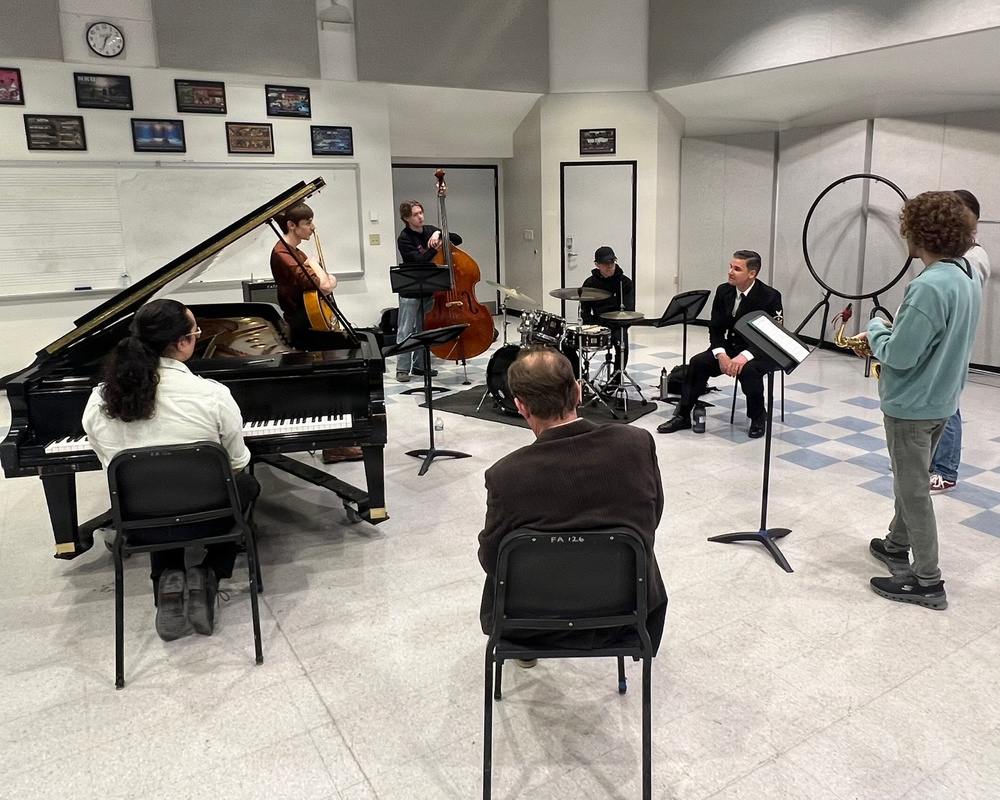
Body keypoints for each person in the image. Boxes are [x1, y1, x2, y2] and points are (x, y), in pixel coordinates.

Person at [82, 299, 261, 641]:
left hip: (139, 525)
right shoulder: (213, 394)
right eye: (195, 332)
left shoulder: (101, 398)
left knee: (156, 491)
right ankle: (209, 572)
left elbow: (109, 464)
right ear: (182, 343)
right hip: (210, 517)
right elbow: (237, 463)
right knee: (248, 486)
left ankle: (167, 575)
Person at [477, 346, 667, 662]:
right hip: (628, 616)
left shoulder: (506, 475)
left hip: (530, 626)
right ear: (578, 391)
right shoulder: (636, 444)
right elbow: (652, 518)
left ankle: (526, 654)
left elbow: (492, 559)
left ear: (520, 406)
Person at [864, 191, 983, 610]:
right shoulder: (967, 275)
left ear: (915, 234)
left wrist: (877, 329)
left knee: (912, 489)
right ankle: (897, 544)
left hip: (911, 406)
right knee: (911, 480)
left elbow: (899, 354)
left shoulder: (929, 285)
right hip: (941, 400)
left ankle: (927, 579)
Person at [269, 202, 361, 465]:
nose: (313, 227)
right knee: (331, 382)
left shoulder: (292, 251)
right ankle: (334, 446)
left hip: (311, 321)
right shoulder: (283, 253)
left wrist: (324, 276)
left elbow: (327, 284)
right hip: (304, 326)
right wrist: (316, 265)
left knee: (334, 380)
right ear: (292, 225)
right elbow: (322, 284)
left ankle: (337, 442)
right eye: (308, 222)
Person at [657, 249, 782, 438]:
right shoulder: (724, 291)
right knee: (698, 362)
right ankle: (682, 415)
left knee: (749, 371)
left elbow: (771, 336)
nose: (730, 272)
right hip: (729, 347)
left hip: (759, 351)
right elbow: (715, 328)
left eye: (737, 269)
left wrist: (744, 357)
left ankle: (757, 417)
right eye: (731, 267)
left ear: (752, 273)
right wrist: (721, 355)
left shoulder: (770, 297)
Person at [928, 189, 991, 493]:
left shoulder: (973, 258)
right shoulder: (957, 256)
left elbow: (957, 301)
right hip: (941, 341)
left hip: (951, 343)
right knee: (935, 404)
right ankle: (927, 462)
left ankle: (945, 470)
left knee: (947, 406)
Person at [394, 200, 462, 382]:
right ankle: (402, 369)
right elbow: (418, 260)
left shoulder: (430, 230)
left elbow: (457, 239)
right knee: (406, 331)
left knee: (424, 330)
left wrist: (439, 232)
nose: (420, 217)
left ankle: (420, 366)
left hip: (430, 290)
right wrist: (435, 248)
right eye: (416, 214)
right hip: (411, 292)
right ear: (407, 218)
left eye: (421, 212)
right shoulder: (404, 238)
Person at [582, 245, 635, 384]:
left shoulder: (625, 283)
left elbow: (629, 312)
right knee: (570, 343)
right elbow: (585, 311)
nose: (610, 266)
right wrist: (595, 324)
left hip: (617, 325)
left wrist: (610, 325)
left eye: (612, 262)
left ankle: (616, 379)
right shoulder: (590, 283)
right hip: (596, 324)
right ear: (597, 264)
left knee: (622, 340)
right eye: (606, 263)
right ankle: (580, 377)